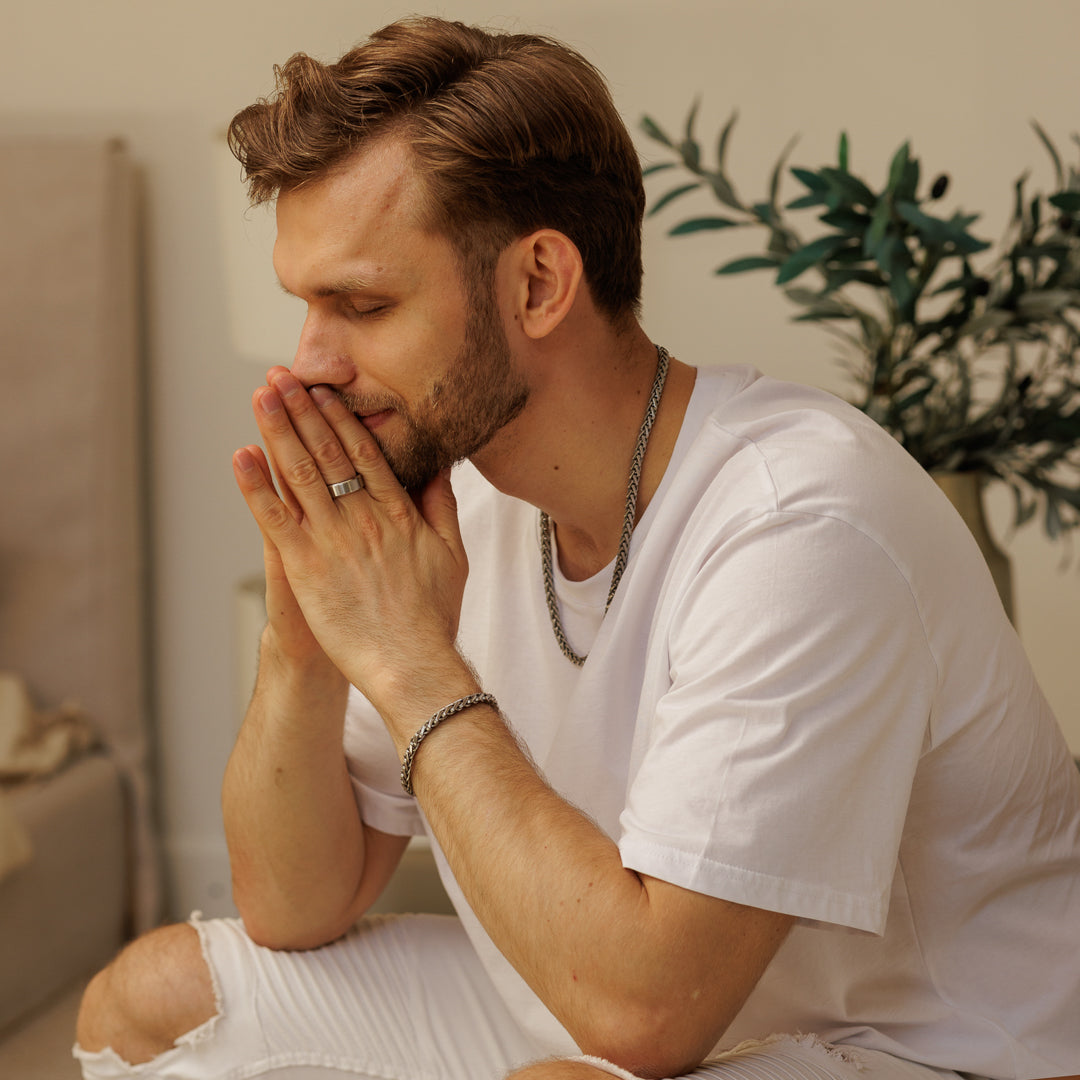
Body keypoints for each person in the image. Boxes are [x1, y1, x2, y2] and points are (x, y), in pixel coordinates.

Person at [74, 15, 1080, 1080]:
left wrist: (411, 662)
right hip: (589, 1001)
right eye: (306, 305)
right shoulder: (460, 499)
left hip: (927, 1053)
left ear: (539, 283)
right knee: (150, 1002)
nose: (310, 362)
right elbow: (291, 905)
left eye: (361, 304)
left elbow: (645, 1016)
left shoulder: (803, 523)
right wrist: (308, 634)